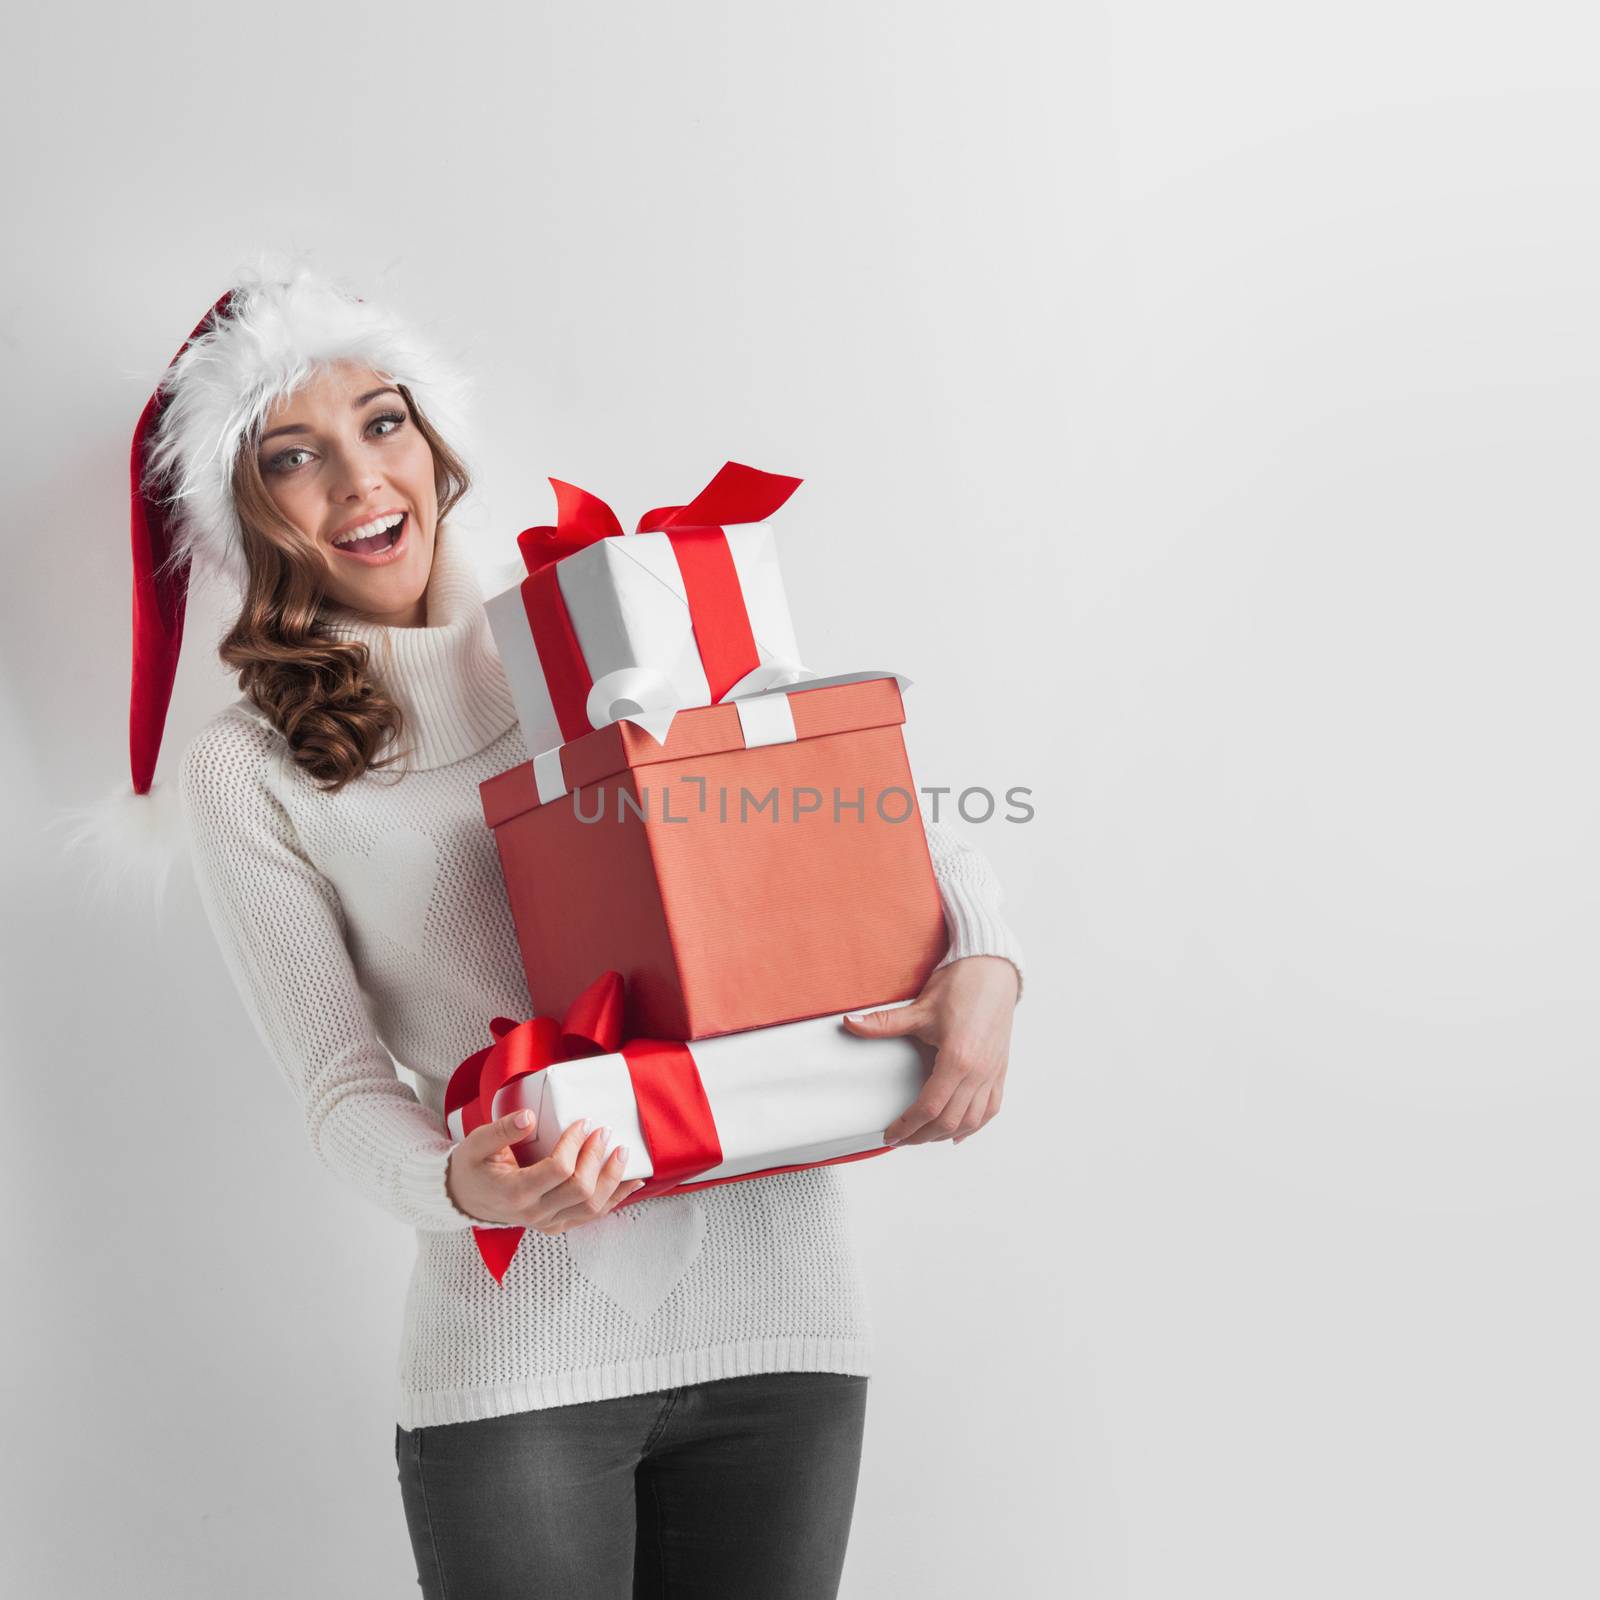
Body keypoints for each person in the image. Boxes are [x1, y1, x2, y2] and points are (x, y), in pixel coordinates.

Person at [116, 255, 1026, 1599]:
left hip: (784, 1317)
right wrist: (456, 1184)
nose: (364, 485)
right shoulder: (246, 770)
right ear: (243, 508)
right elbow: (338, 1085)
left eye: (383, 422)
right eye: (294, 456)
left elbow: (871, 832)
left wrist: (987, 968)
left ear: (435, 443)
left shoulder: (598, 634)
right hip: (514, 1357)